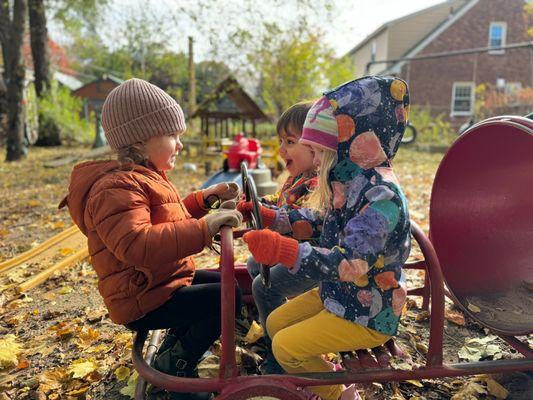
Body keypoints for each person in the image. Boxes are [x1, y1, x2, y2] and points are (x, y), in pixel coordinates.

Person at [59, 78, 243, 400]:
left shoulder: (143, 177)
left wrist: (204, 202)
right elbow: (138, 244)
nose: (180, 145)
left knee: (227, 285)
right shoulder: (115, 188)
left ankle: (173, 350)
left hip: (161, 281)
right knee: (226, 299)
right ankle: (177, 367)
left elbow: (167, 219)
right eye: (173, 135)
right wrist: (204, 229)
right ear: (141, 141)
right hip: (142, 297)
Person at [240, 76, 412, 400]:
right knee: (275, 323)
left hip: (370, 308)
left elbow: (351, 261)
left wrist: (286, 250)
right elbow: (323, 225)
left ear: (346, 147)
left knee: (284, 347)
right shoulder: (351, 183)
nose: (314, 160)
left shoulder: (381, 195)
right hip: (341, 294)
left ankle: (337, 394)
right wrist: (275, 218)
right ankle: (326, 375)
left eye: (319, 152)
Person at [241, 101, 319, 374]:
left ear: (316, 144)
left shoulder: (318, 184)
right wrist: (257, 202)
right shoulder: (296, 178)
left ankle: (280, 358)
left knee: (264, 286)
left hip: (318, 261)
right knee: (254, 265)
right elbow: (279, 200)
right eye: (280, 141)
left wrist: (268, 213)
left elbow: (298, 217)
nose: (281, 149)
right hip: (296, 253)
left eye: (290, 141)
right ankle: (275, 322)